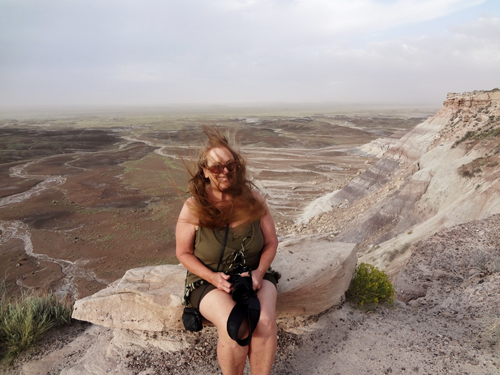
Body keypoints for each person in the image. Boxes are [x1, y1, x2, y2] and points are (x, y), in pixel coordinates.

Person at [176, 127, 279, 375]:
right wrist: (213, 278)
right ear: (204, 172)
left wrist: (259, 272)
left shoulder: (253, 199)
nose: (224, 171)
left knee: (264, 322)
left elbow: (271, 242)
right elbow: (183, 253)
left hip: (254, 274)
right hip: (208, 279)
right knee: (237, 327)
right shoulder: (193, 207)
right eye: (216, 167)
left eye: (230, 166)